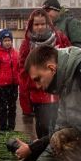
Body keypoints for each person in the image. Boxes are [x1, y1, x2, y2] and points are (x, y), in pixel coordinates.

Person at [19, 8, 70, 138]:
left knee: (60, 129)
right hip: (38, 94)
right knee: (43, 128)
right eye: (36, 24)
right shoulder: (27, 45)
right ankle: (44, 153)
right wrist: (34, 83)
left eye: (43, 23)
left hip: (59, 93)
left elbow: (69, 59)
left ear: (48, 24)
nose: (40, 27)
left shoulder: (60, 39)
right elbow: (23, 71)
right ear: (31, 25)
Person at [0, 29, 19, 131]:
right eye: (5, 40)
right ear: (1, 42)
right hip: (2, 85)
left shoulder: (16, 53)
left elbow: (19, 68)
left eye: (9, 40)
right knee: (2, 108)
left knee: (12, 107)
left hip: (13, 85)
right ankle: (3, 127)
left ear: (12, 41)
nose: (7, 42)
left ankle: (11, 127)